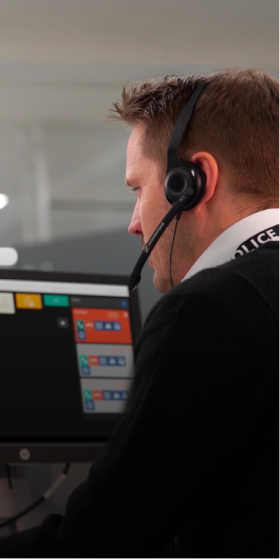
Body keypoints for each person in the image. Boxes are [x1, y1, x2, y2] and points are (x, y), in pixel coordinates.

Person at [0, 68, 279, 558]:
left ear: (190, 183)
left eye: (136, 190)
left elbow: (104, 542)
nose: (133, 224)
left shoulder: (209, 311)